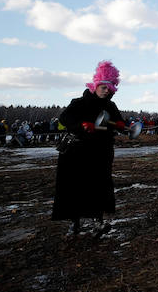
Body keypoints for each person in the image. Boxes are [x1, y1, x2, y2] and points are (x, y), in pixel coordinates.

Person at [52, 60, 126, 236]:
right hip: (77, 153)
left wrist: (123, 125)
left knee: (99, 187)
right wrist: (81, 126)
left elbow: (116, 122)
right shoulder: (78, 103)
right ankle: (74, 222)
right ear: (95, 85)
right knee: (75, 187)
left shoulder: (110, 106)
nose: (106, 91)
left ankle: (98, 222)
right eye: (103, 87)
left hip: (100, 153)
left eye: (110, 89)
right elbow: (64, 119)